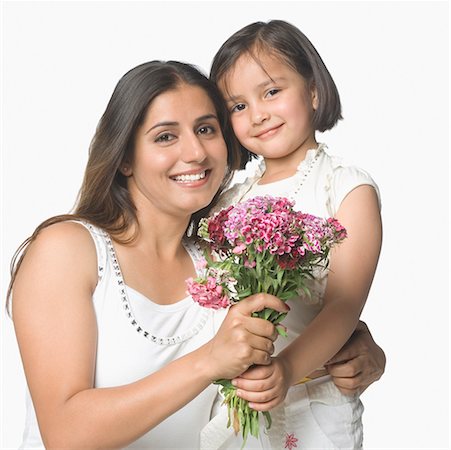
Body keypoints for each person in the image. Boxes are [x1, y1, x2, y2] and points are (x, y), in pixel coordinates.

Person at [7, 60, 290, 449]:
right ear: (124, 157)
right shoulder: (68, 251)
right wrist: (209, 361)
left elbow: (273, 360)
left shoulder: (223, 264)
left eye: (206, 129)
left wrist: (353, 351)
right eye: (164, 137)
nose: (194, 152)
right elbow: (65, 433)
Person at [206, 20, 383, 449]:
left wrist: (285, 371)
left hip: (316, 401)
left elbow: (343, 306)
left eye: (271, 92)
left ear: (314, 92)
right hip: (236, 402)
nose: (258, 114)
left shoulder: (345, 188)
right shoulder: (223, 201)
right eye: (237, 106)